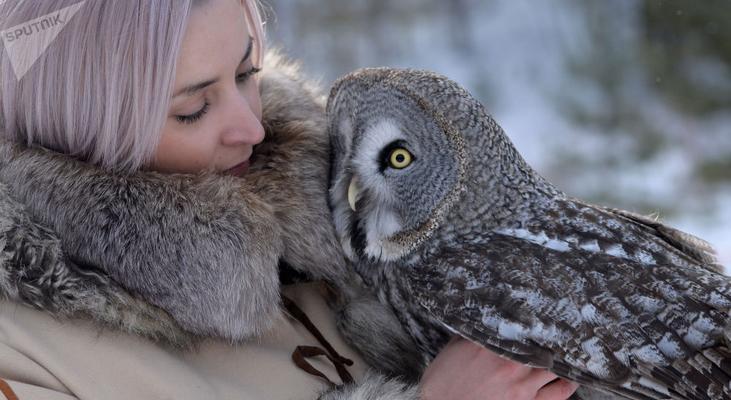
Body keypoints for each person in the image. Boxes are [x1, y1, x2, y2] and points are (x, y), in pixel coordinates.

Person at [0, 1, 580, 399]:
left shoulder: (349, 193)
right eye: (192, 109)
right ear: (72, 127)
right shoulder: (22, 350)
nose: (249, 127)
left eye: (247, 72)